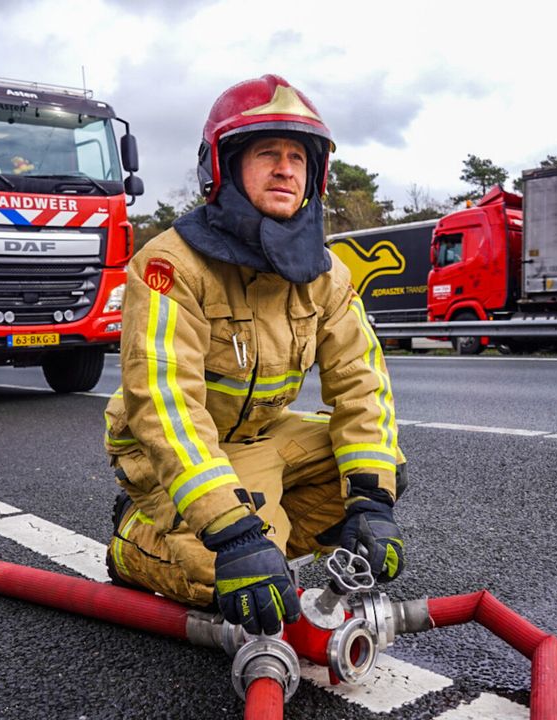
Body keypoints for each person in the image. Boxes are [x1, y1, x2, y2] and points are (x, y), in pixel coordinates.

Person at [102, 75, 406, 636]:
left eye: (298, 157)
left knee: (377, 471)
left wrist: (372, 503)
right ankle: (133, 541)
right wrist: (234, 533)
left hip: (263, 437)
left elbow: (362, 385)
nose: (286, 168)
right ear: (222, 166)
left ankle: (266, 539)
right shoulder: (170, 265)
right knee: (226, 572)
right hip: (173, 451)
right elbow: (164, 408)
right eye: (268, 153)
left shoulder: (328, 274)